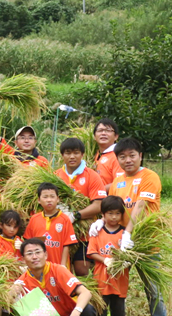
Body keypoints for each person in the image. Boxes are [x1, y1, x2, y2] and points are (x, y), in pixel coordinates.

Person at [95, 137, 171, 316]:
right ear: (117, 158)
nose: (127, 160)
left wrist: (129, 233)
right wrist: (101, 221)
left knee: (152, 289)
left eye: (131, 155)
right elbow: (113, 207)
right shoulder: (118, 179)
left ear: (140, 155)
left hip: (146, 243)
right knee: (111, 286)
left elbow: (140, 205)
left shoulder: (150, 176)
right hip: (120, 243)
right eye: (122, 156)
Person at [8, 238, 95, 316]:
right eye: (29, 253)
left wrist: (76, 312)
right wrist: (11, 294)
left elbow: (86, 293)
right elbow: (10, 305)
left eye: (38, 252)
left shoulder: (58, 270)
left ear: (46, 255)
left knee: (87, 311)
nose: (34, 257)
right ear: (23, 259)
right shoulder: (23, 281)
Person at [56, 137, 106, 276]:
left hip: (84, 233)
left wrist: (75, 215)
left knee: (81, 269)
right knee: (61, 269)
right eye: (67, 153)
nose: (72, 156)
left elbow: (99, 205)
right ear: (62, 155)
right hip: (61, 232)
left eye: (76, 152)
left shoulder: (92, 176)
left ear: (82, 154)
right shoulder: (56, 176)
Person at [86, 196, 129, 316]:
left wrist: (126, 261)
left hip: (119, 279)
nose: (114, 217)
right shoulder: (97, 232)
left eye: (117, 213)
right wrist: (105, 260)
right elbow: (91, 252)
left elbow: (131, 255)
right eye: (110, 213)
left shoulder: (125, 234)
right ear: (103, 214)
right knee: (101, 307)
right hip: (101, 277)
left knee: (119, 307)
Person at [23, 183, 77, 267]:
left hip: (58, 265)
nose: (49, 200)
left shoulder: (65, 219)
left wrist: (63, 265)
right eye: (45, 197)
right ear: (39, 200)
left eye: (52, 196)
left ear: (57, 199)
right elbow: (28, 242)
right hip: (38, 266)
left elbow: (67, 245)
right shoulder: (34, 219)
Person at [0, 101, 48, 167]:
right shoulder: (9, 154)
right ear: (16, 142)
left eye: (30, 138)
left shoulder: (42, 161)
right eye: (22, 137)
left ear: (35, 142)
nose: (26, 141)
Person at [93, 118, 121, 188]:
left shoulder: (118, 155)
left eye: (108, 131)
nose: (103, 133)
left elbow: (120, 182)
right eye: (100, 130)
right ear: (94, 136)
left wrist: (98, 190)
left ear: (116, 137)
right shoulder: (96, 154)